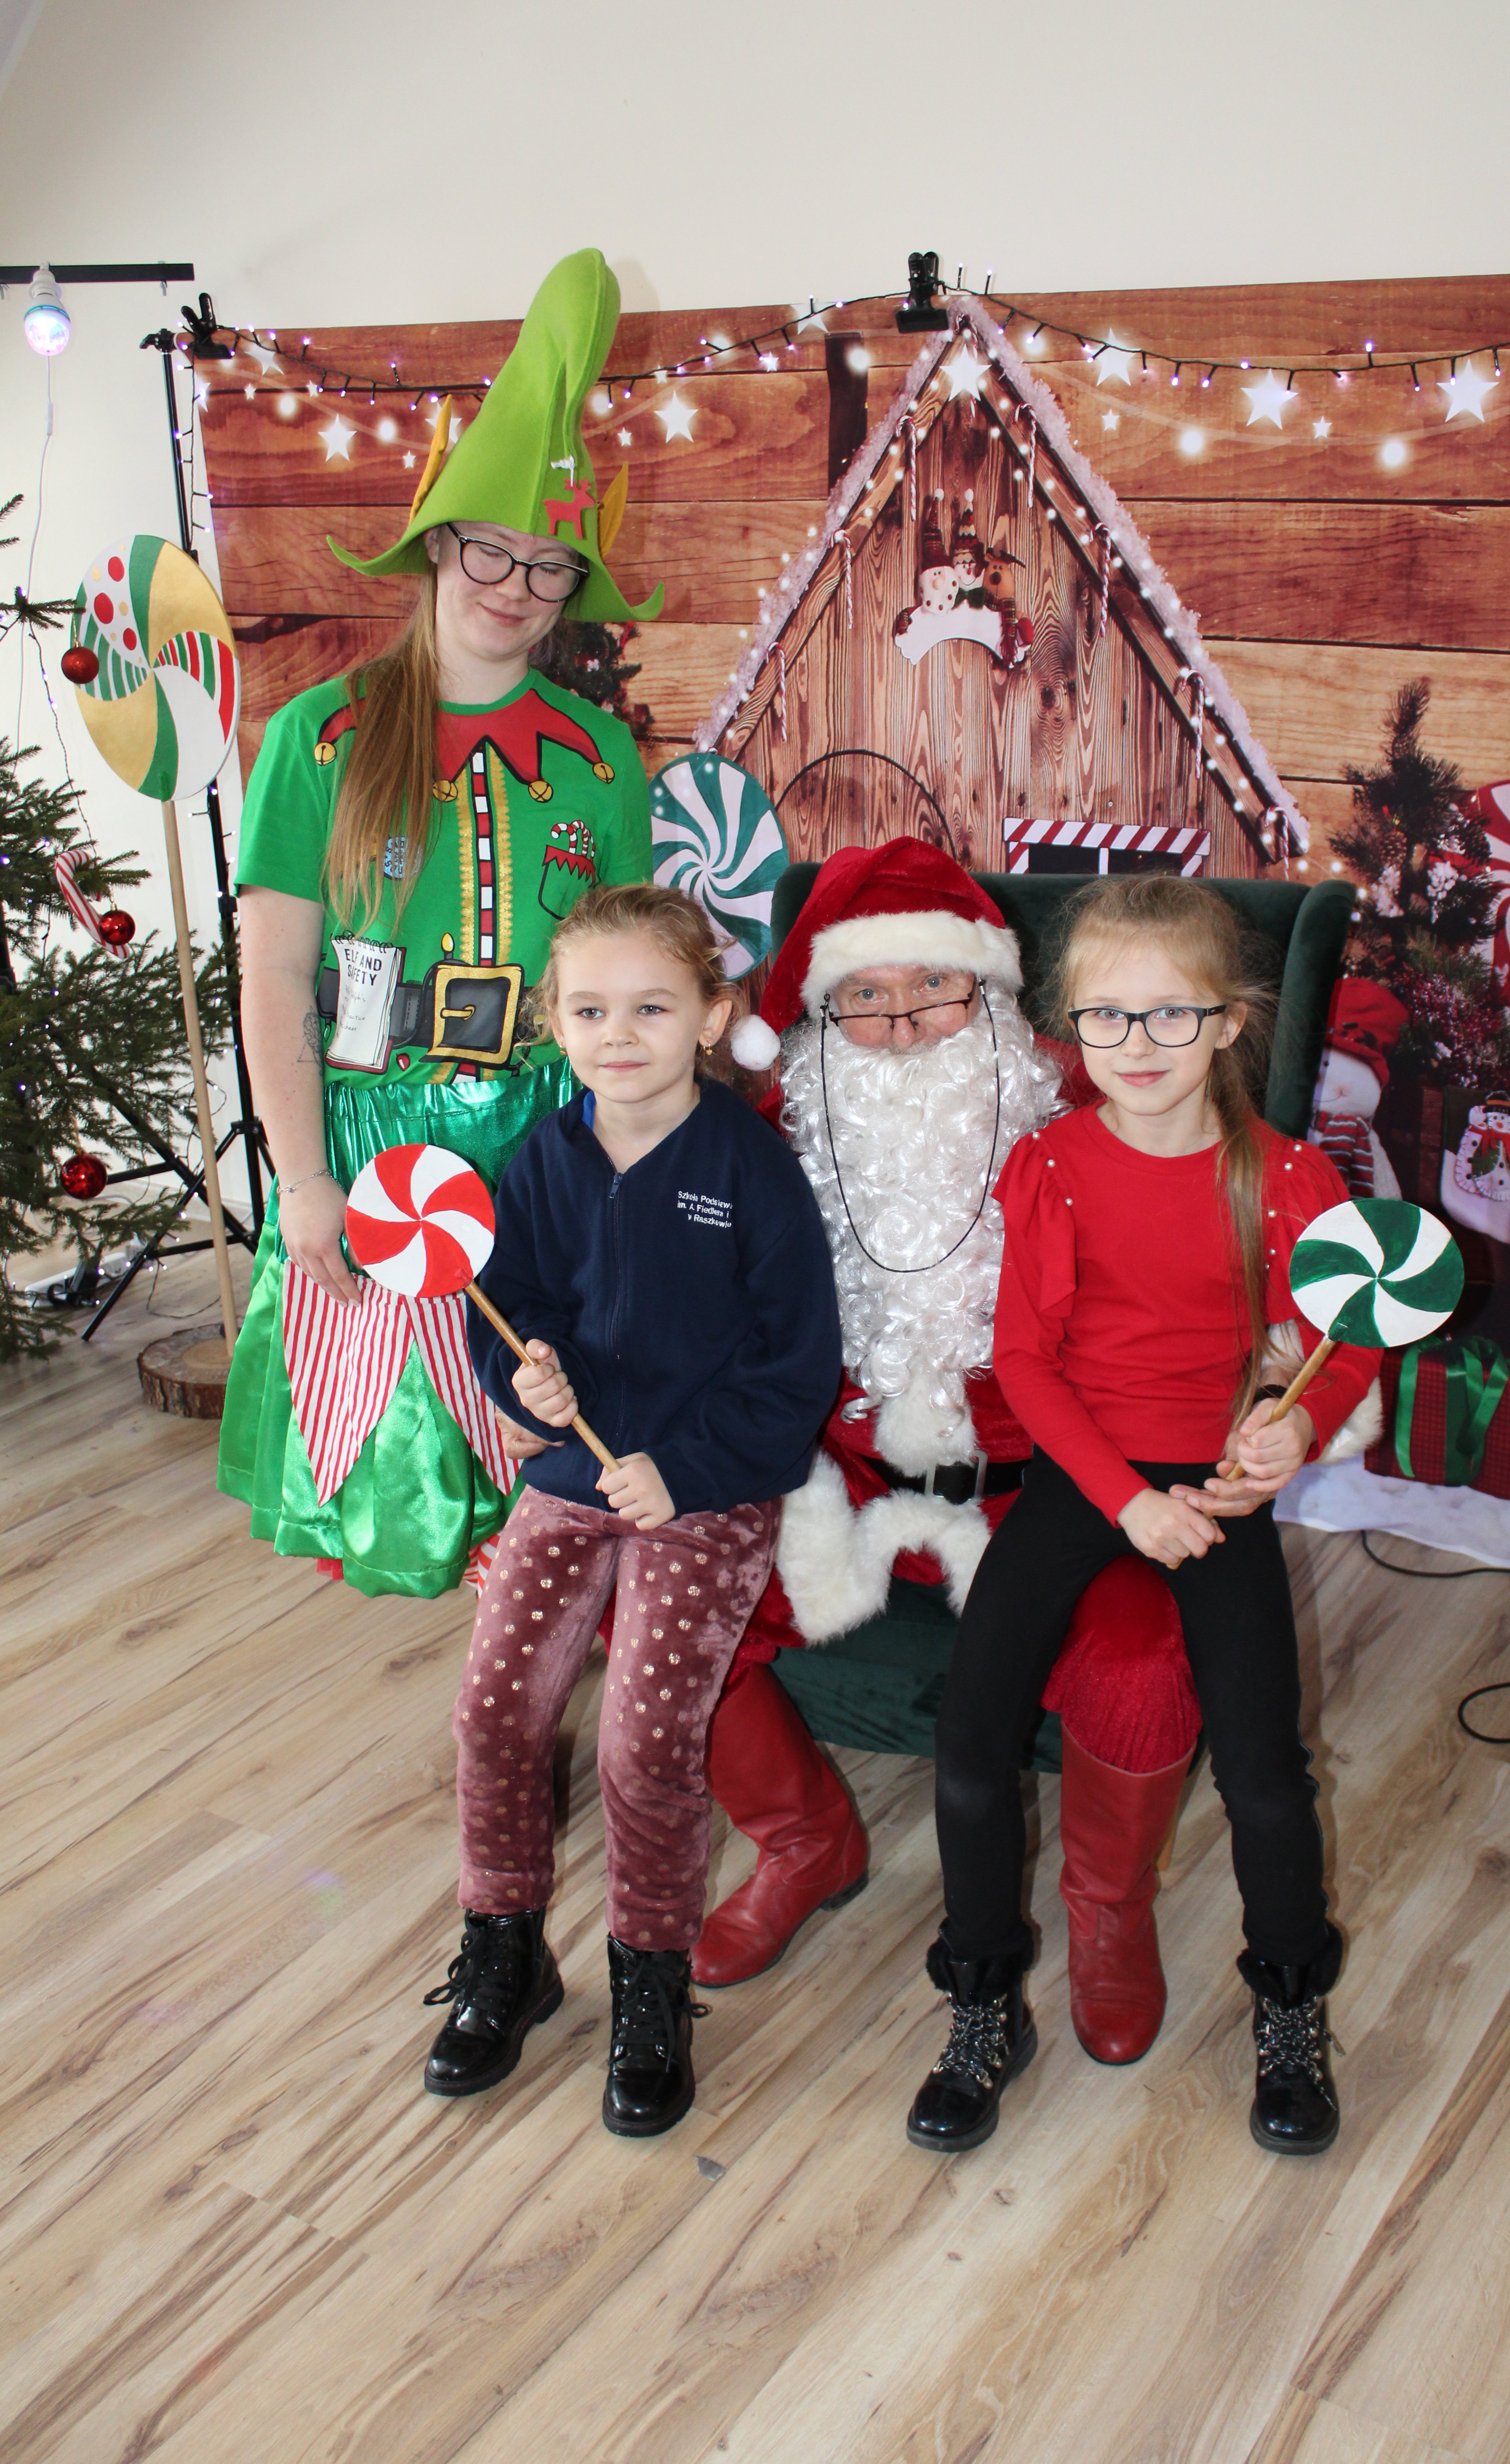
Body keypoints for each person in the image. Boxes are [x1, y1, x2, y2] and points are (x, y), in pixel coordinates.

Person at [686, 841, 1201, 2069]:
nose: (906, 1026)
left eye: (936, 987)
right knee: (649, 1583)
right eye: (865, 997)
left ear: (993, 997)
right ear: (817, 1019)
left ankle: (1107, 1912)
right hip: (835, 1482)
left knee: (1143, 1657)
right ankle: (807, 1841)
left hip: (1049, 1493)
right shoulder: (766, 1135)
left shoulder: (1088, 1117)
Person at [906, 874, 1380, 2158]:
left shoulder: (1287, 1177)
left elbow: (1347, 1336)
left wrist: (1294, 1423)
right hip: (1086, 1476)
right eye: (1108, 1018)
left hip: (1218, 1485)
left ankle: (1290, 2009)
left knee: (1268, 1774)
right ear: (1072, 1025)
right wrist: (1124, 1501)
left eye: (1173, 1016)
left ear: (1229, 1023)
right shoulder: (1052, 1167)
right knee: (969, 1743)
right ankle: (984, 2002)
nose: (1139, 1046)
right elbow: (1027, 1362)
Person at [218, 250, 661, 1596]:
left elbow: (632, 980)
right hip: (379, 1138)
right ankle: (497, 1696)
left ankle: (541, 1671)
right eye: (490, 549)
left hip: (549, 1138)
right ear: (434, 544)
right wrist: (303, 1180)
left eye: (551, 565)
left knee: (559, 1448)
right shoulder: (321, 738)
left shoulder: (601, 760)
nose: (514, 584)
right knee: (417, 1466)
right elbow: (274, 978)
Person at [421, 885, 840, 2135]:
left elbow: (796, 1369)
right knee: (493, 1711)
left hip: (705, 1495)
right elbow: (509, 1304)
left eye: (652, 1008)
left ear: (711, 1017)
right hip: (570, 1482)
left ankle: (649, 1985)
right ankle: (505, 1950)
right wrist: (526, 1380)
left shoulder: (752, 1172)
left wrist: (689, 1471)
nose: (619, 1035)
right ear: (554, 1022)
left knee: (644, 1742)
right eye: (591, 1010)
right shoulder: (541, 1160)